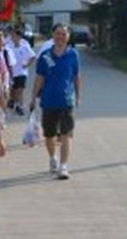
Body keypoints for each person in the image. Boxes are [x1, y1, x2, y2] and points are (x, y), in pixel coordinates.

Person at [29, 23, 81, 180]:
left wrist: (78, 96)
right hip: (48, 100)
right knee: (49, 135)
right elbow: (39, 78)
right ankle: (53, 158)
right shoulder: (45, 55)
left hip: (66, 100)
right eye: (58, 33)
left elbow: (77, 76)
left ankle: (64, 166)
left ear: (68, 37)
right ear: (53, 35)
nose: (60, 37)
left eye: (64, 34)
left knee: (66, 134)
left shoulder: (73, 55)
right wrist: (33, 97)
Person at [9, 28, 36, 115]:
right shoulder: (8, 47)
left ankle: (19, 106)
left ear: (19, 36)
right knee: (13, 90)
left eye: (14, 35)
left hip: (22, 72)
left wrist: (27, 64)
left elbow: (33, 56)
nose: (12, 37)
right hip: (12, 73)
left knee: (20, 90)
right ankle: (13, 100)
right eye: (11, 35)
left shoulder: (25, 47)